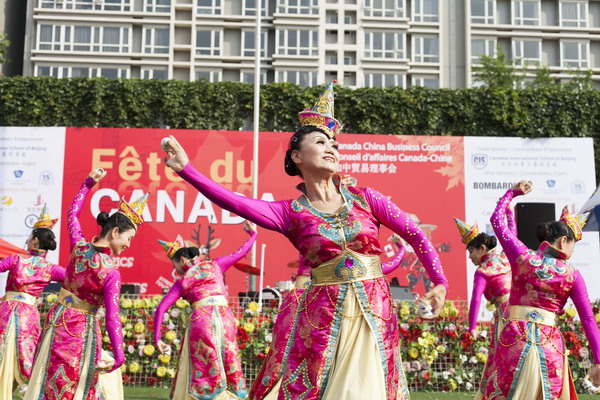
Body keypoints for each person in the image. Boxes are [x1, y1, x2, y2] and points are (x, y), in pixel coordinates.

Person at [161, 81, 449, 400]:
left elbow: (415, 233)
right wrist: (188, 171)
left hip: (374, 312)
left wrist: (439, 281)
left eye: (333, 143)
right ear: (297, 155)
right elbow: (234, 201)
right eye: (320, 141)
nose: (331, 148)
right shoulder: (290, 213)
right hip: (322, 315)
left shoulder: (366, 199)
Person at [24, 169, 148, 400]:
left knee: (49, 378)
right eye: (129, 238)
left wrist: (87, 184)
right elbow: (112, 316)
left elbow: (72, 214)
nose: (129, 245)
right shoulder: (111, 272)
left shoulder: (79, 246)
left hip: (56, 320)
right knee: (77, 384)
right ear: (115, 232)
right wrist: (119, 355)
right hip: (81, 329)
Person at [250, 235, 407, 400]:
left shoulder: (316, 243)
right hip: (321, 300)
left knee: (302, 351)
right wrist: (401, 250)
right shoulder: (331, 252)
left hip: (311, 299)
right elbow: (384, 267)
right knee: (314, 352)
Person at [483, 180, 600, 399]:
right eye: (573, 244)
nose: (573, 251)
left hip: (514, 339)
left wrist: (512, 193)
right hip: (549, 345)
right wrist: (599, 360)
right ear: (564, 240)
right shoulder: (572, 274)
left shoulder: (522, 256)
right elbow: (588, 319)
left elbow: (496, 222)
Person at [154, 222, 257, 400]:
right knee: (228, 359)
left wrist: (157, 339)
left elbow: (161, 308)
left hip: (202, 320)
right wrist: (253, 234)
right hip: (225, 318)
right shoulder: (216, 265)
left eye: (175, 265)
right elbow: (241, 252)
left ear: (182, 260)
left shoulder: (182, 281)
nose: (175, 270)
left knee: (205, 367)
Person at [0, 205, 65, 399]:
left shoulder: (15, 260)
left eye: (29, 237)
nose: (27, 240)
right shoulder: (51, 268)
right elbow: (74, 278)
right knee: (27, 359)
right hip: (28, 316)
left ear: (35, 240)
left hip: (6, 312)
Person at [454, 211, 513, 399]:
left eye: (471, 251)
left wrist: (472, 327)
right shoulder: (505, 257)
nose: (470, 256)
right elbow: (512, 233)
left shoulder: (483, 271)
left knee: (500, 360)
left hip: (505, 318)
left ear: (481, 248)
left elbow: (476, 300)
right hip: (522, 313)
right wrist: (509, 213)